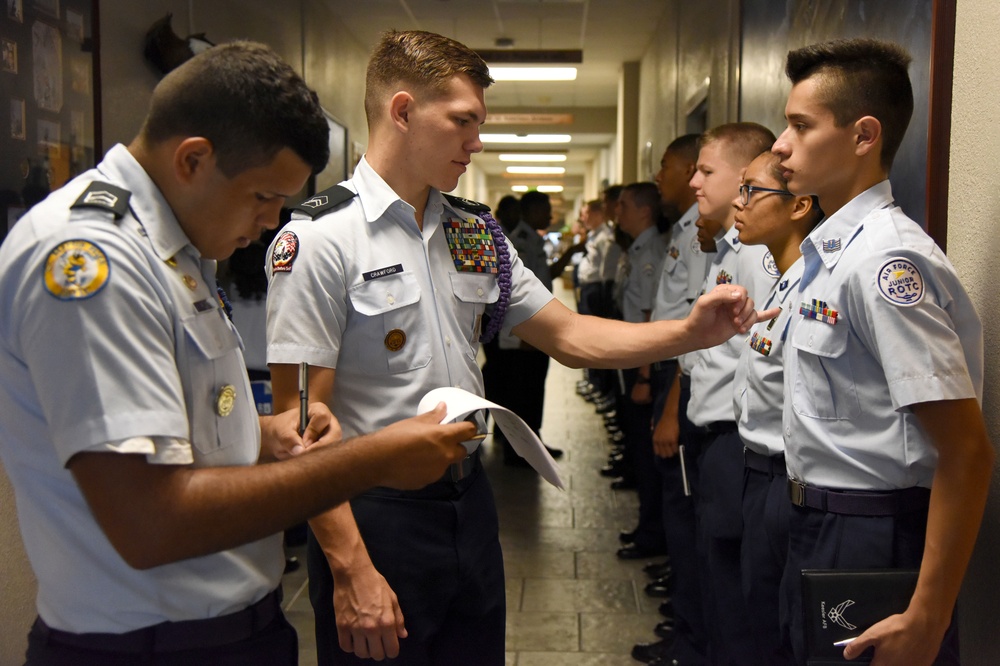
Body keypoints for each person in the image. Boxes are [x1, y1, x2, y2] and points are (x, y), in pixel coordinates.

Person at [264, 29, 775, 666]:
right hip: (374, 516)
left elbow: (568, 334)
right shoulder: (321, 239)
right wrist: (350, 568)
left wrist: (690, 334)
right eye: (463, 122)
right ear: (402, 112)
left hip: (467, 502)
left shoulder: (472, 232)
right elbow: (300, 429)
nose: (475, 141)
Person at [0, 41, 478, 666]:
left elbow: (172, 429)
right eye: (262, 198)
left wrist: (262, 435)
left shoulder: (174, 249)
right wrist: (369, 461)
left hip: (232, 626)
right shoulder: (95, 261)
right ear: (193, 160)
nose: (271, 221)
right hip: (149, 644)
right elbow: (150, 522)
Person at [772, 38, 993, 665]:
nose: (781, 145)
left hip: (871, 533)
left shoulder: (882, 262)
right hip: (818, 522)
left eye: (800, 126)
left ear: (864, 134)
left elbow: (966, 450)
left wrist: (928, 615)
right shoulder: (831, 253)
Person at [650, 122, 780, 666]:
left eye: (707, 171)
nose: (695, 183)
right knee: (711, 565)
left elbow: (762, 357)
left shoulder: (757, 256)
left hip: (735, 437)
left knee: (729, 582)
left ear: (745, 175)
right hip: (711, 433)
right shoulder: (726, 247)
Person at [731, 151, 822, 665]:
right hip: (760, 475)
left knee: (783, 633)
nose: (738, 204)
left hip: (788, 482)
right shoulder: (786, 281)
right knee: (760, 618)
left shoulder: (815, 284)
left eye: (752, 191)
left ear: (799, 205)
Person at [630, 133, 710, 664]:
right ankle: (688, 628)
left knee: (691, 523)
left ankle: (692, 639)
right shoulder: (686, 229)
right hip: (674, 372)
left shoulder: (710, 235)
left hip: (690, 386)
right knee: (683, 518)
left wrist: (671, 404)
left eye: (667, 167)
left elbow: (698, 331)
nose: (664, 177)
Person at [485, 190, 564, 465]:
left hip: (536, 332)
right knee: (519, 392)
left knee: (533, 390)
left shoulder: (534, 240)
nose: (550, 216)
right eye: (545, 210)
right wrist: (522, 335)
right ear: (530, 211)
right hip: (524, 336)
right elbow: (509, 296)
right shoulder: (517, 242)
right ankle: (518, 450)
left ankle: (532, 442)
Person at [613, 181, 669, 564]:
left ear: (644, 212)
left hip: (643, 362)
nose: (618, 214)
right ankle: (647, 528)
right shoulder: (636, 248)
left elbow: (650, 316)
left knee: (648, 457)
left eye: (624, 207)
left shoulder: (651, 251)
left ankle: (652, 534)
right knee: (637, 446)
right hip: (632, 357)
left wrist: (645, 376)